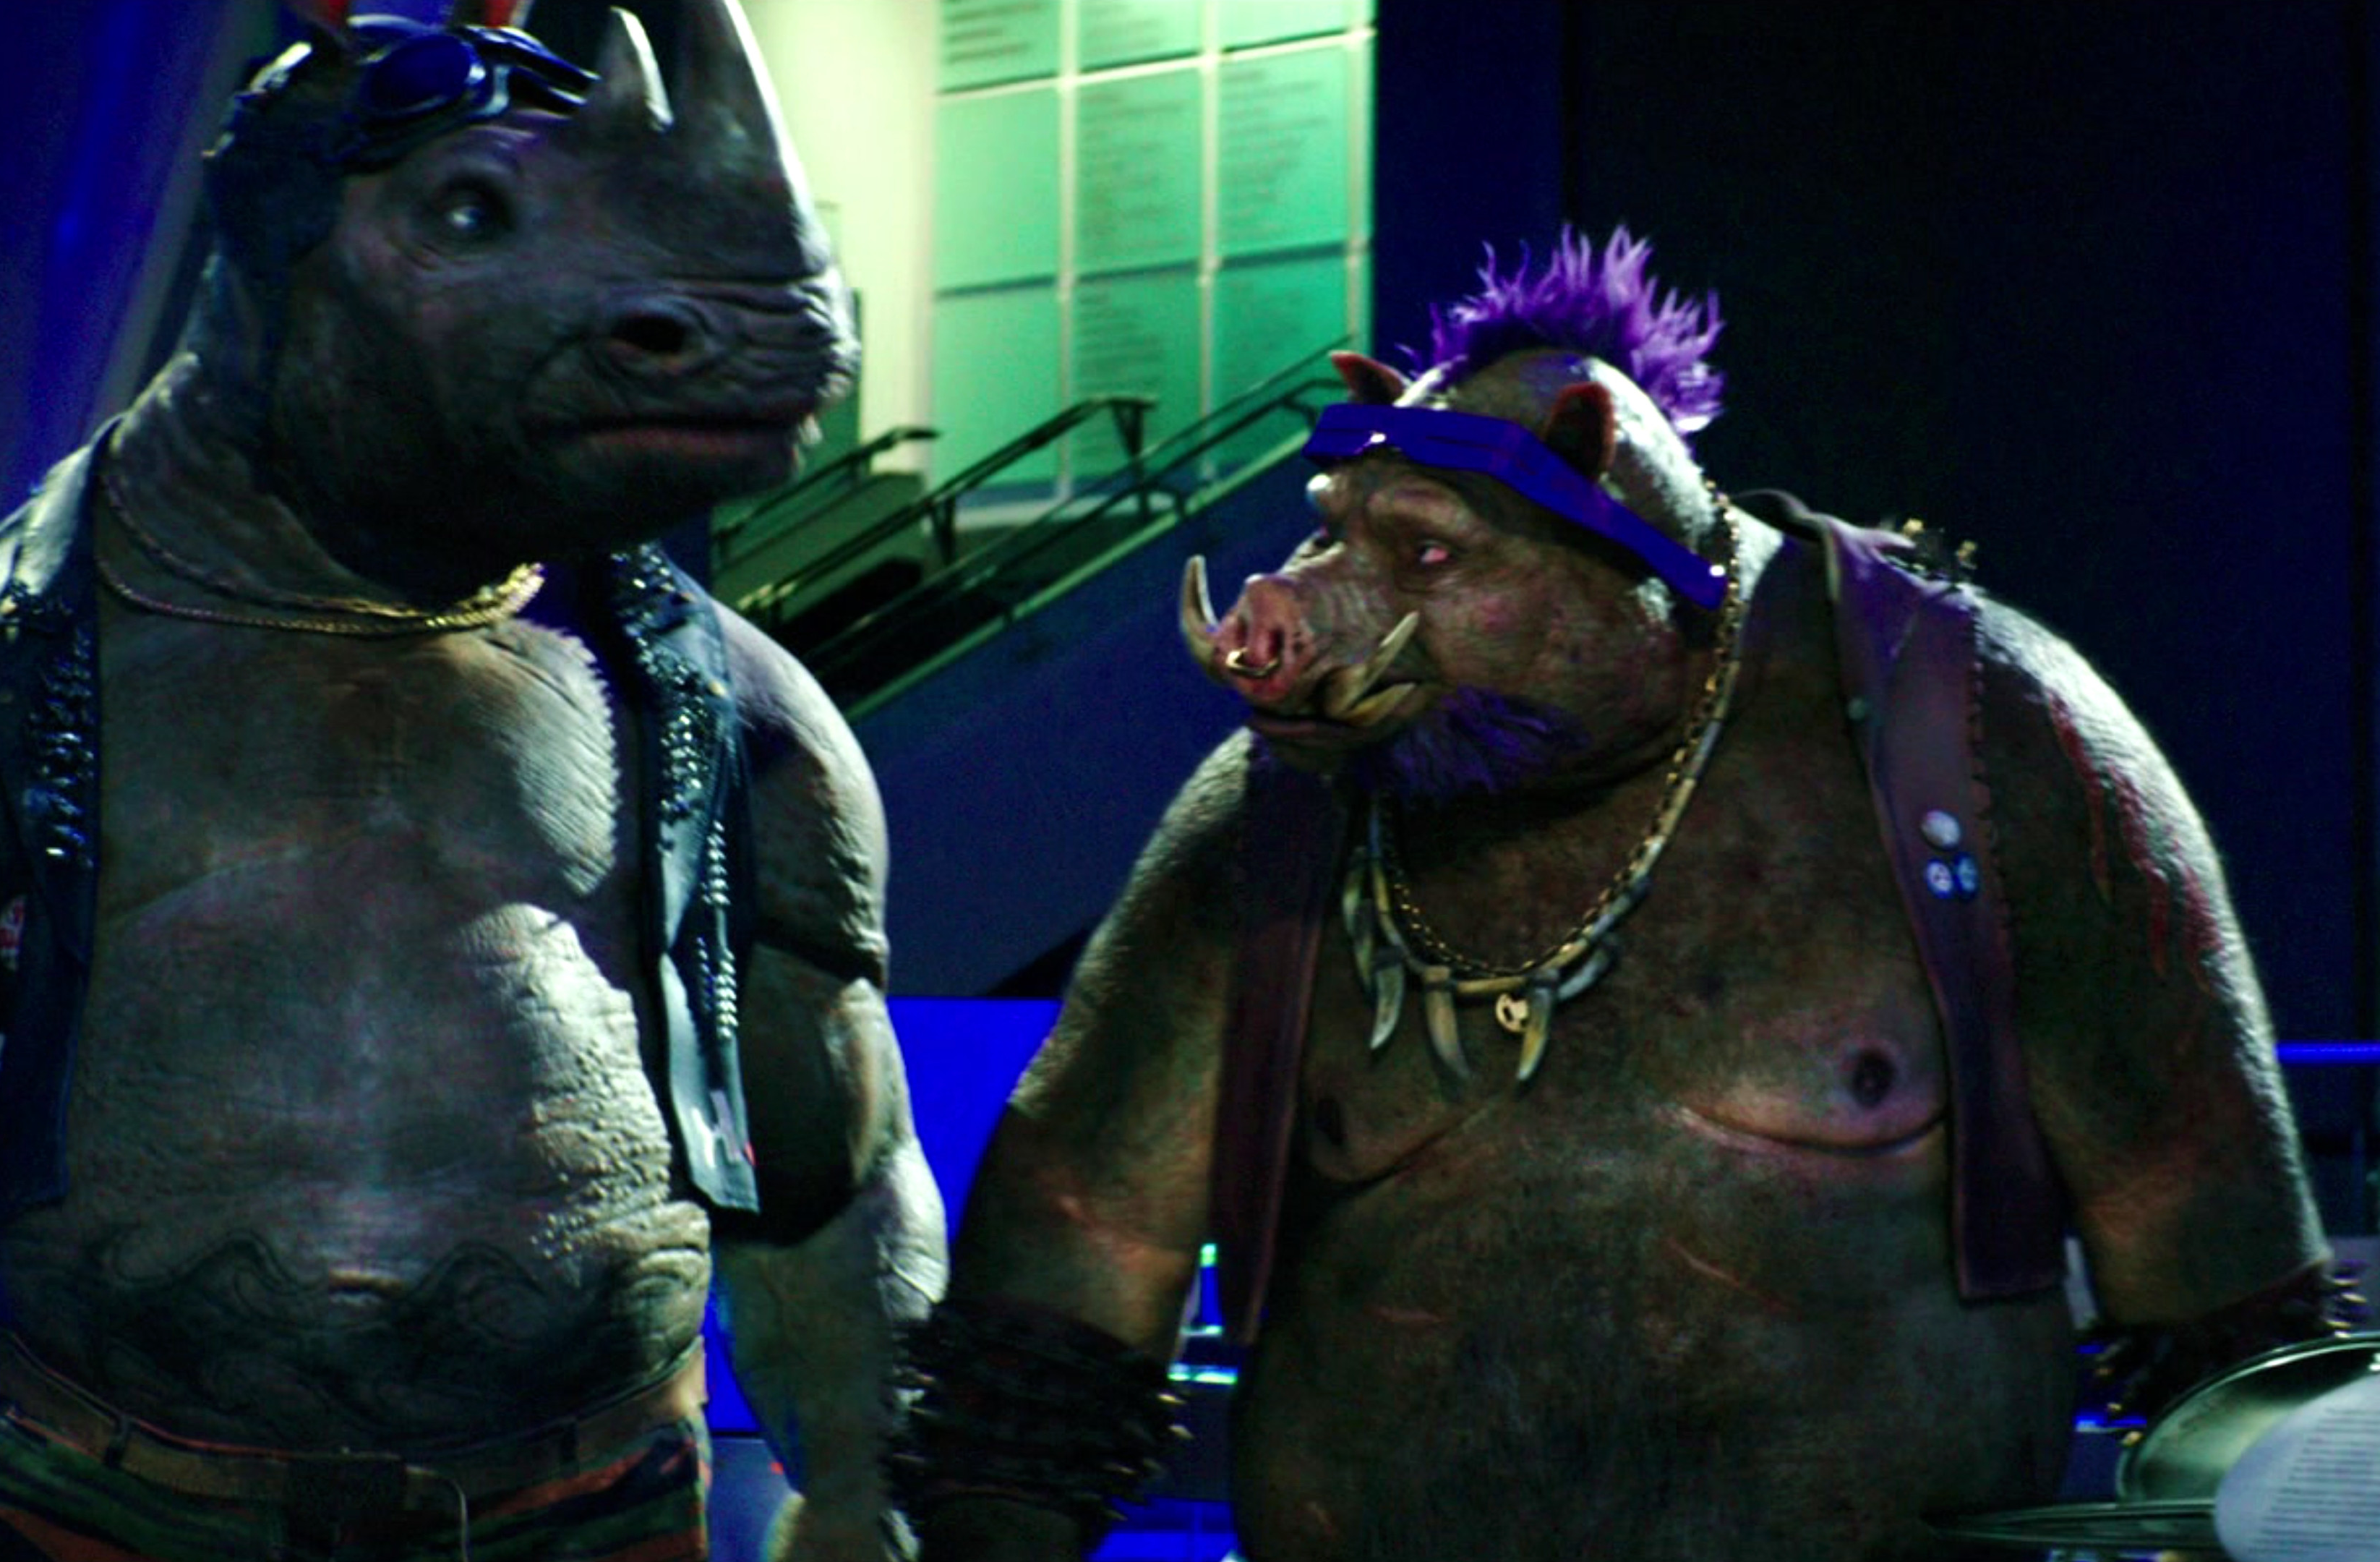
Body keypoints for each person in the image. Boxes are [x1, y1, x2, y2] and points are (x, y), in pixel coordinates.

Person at [0, 7, 943, 1561]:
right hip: (125, 1516)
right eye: (465, 217)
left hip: (583, 1514)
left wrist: (874, 1467)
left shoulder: (720, 709)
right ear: (281, 269)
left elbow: (834, 1177)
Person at [895, 231, 2350, 1562]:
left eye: (1424, 551)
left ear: (1601, 500)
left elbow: (2229, 1326)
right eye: (1335, 530)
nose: (1314, 594)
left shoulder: (1973, 739)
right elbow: (1061, 1292)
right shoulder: (1283, 810)